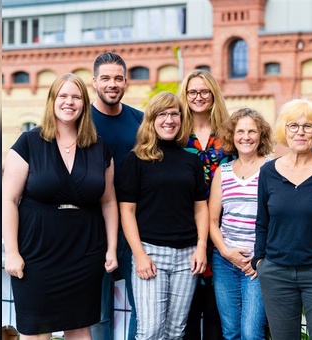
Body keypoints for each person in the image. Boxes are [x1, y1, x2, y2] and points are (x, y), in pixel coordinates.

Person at [2, 73, 119, 339]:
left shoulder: (99, 147)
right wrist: (12, 252)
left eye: (76, 97)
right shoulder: (28, 143)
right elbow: (7, 200)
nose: (70, 102)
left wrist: (111, 248)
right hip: (36, 253)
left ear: (84, 104)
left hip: (85, 252)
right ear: (52, 101)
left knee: (80, 328)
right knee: (36, 330)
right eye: (63, 96)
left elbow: (109, 201)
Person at [252, 98, 312, 340]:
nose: (300, 132)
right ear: (283, 131)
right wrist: (259, 260)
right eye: (293, 126)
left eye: (308, 126)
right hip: (276, 273)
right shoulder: (268, 172)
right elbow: (262, 221)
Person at [117, 91, 209, 339]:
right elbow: (127, 211)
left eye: (174, 114)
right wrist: (139, 255)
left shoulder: (191, 162)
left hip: (187, 257)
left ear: (181, 119)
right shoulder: (136, 159)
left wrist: (201, 247)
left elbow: (201, 207)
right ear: (152, 120)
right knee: (150, 331)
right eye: (162, 114)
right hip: (151, 253)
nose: (169, 120)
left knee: (175, 331)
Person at [208, 108, 274, 340]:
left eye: (252, 131)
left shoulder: (272, 169)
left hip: (257, 264)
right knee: (231, 332)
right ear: (232, 136)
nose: (246, 137)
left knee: (251, 332)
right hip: (225, 262)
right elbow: (212, 220)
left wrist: (259, 257)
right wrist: (226, 252)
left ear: (261, 135)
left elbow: (278, 220)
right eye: (240, 131)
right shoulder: (223, 172)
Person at [90, 51, 142, 340]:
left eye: (118, 78)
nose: (113, 84)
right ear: (94, 81)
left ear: (126, 82)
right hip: (92, 228)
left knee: (143, 308)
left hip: (136, 226)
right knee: (98, 315)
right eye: (106, 78)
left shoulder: (141, 121)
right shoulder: (80, 118)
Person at [179, 69, 234, 340]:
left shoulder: (229, 134)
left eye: (204, 91)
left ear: (213, 95)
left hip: (223, 229)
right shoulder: (176, 133)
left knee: (216, 314)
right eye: (192, 92)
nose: (198, 97)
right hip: (184, 228)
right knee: (186, 314)